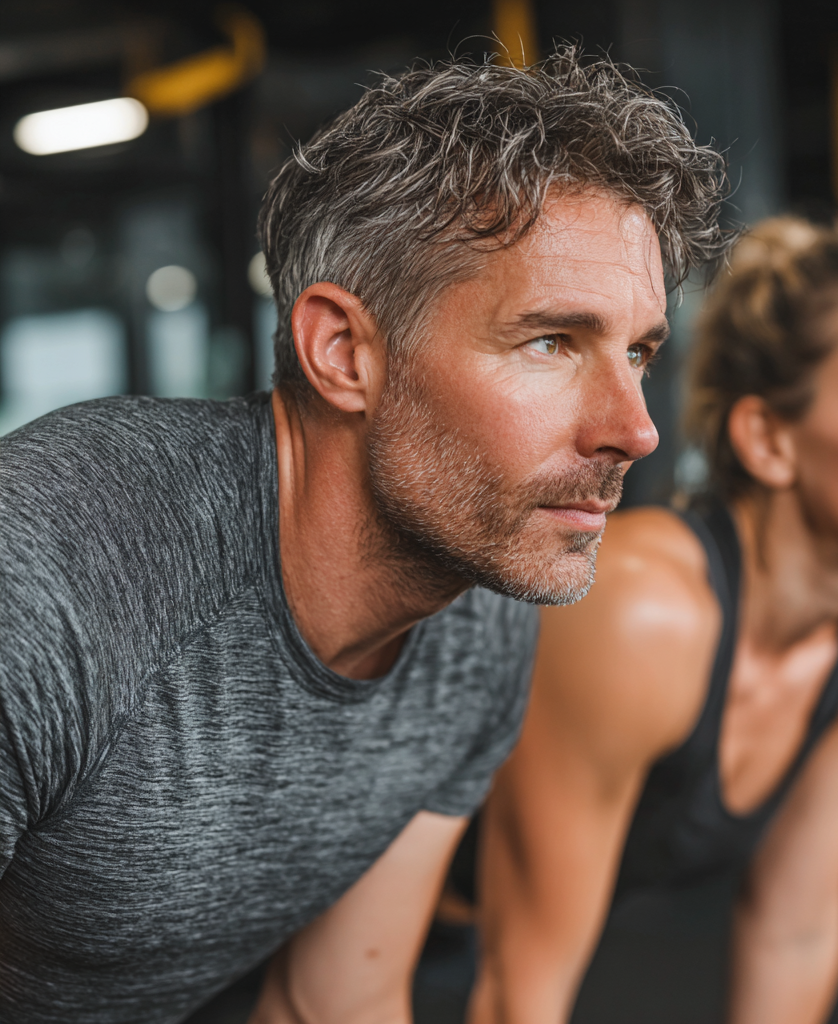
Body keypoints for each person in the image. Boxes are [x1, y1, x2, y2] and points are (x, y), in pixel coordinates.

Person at [0, 51, 728, 1024]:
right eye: (551, 341)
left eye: (637, 351)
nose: (634, 428)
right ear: (343, 352)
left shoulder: (481, 608)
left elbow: (332, 999)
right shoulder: (49, 572)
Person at [470, 217, 838, 1024]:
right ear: (769, 439)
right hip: (336, 941)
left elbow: (794, 923)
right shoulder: (640, 610)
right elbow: (515, 992)